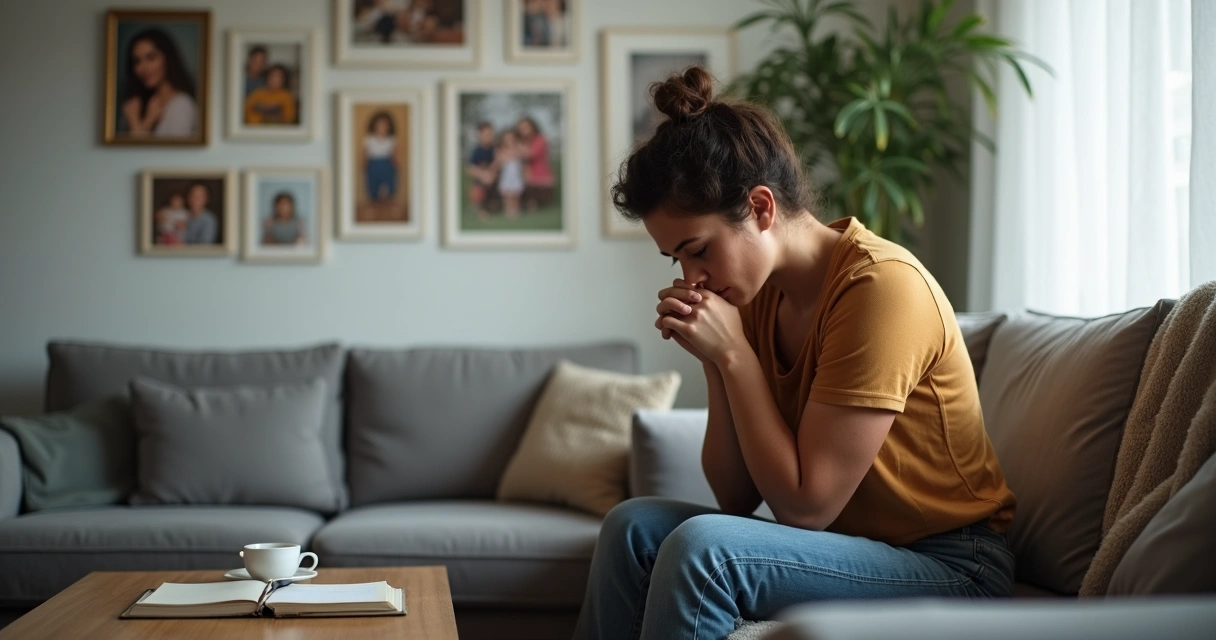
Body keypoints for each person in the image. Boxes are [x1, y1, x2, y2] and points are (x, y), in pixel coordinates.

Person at [573, 66, 1017, 640]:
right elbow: (735, 495)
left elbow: (807, 507)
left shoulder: (881, 289)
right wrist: (713, 357)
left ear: (760, 208)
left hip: (956, 565)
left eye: (699, 250)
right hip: (851, 548)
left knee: (707, 551)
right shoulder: (756, 295)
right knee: (632, 527)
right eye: (677, 261)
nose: (692, 278)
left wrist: (733, 354)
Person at [121, 28, 198, 138]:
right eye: (137, 61)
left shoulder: (181, 105)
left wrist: (141, 123)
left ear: (167, 58)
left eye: (151, 58)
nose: (143, 68)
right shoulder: (134, 105)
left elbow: (172, 155)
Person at [516, 116, 555, 210]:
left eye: (525, 127)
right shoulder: (521, 141)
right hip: (525, 178)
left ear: (532, 127)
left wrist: (515, 148)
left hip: (540, 179)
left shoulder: (540, 139)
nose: (523, 130)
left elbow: (530, 154)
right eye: (521, 128)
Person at [363, 112, 398, 204]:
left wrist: (396, 166)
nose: (382, 128)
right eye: (380, 125)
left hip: (386, 164)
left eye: (385, 125)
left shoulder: (391, 140)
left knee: (387, 187)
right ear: (374, 126)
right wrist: (364, 165)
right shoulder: (369, 140)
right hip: (373, 164)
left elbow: (393, 155)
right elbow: (366, 155)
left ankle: (386, 202)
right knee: (373, 187)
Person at [466, 122, 497, 217]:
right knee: (476, 190)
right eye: (485, 134)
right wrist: (484, 175)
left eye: (490, 134)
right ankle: (479, 210)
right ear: (479, 135)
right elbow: (470, 169)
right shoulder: (476, 151)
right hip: (481, 181)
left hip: (496, 180)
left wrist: (491, 174)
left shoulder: (496, 148)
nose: (488, 136)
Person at [493, 130, 525, 219]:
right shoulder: (500, 151)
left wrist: (510, 154)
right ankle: (508, 211)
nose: (509, 141)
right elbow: (497, 162)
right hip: (506, 177)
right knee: (507, 195)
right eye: (507, 139)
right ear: (503, 140)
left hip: (516, 177)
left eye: (511, 139)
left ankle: (516, 210)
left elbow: (521, 154)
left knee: (516, 195)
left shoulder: (518, 149)